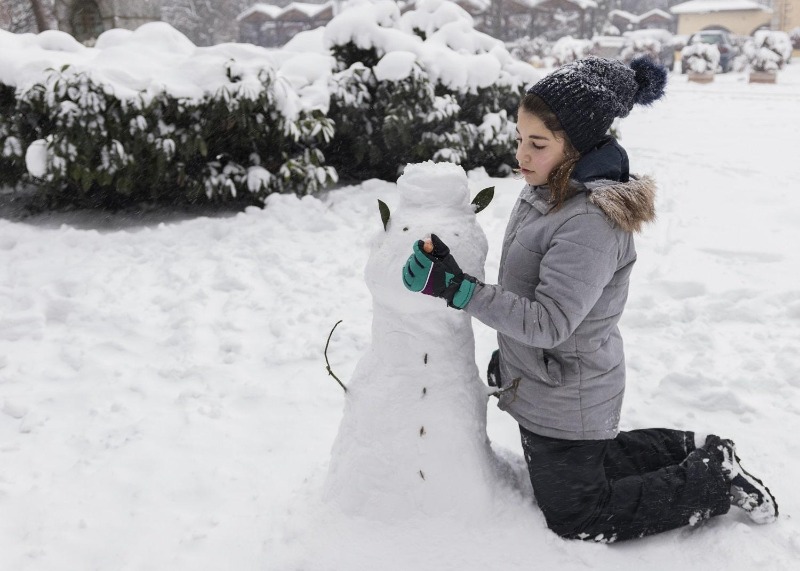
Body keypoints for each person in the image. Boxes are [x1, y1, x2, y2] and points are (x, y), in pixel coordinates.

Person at [401, 56, 778, 542]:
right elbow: (525, 284)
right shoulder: (548, 189)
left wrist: (457, 291)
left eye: (537, 144)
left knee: (577, 515)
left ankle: (713, 482)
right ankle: (694, 446)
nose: (522, 154)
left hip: (567, 389)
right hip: (545, 380)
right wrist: (456, 275)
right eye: (520, 138)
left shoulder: (590, 220)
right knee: (588, 461)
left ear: (574, 149)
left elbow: (550, 322)